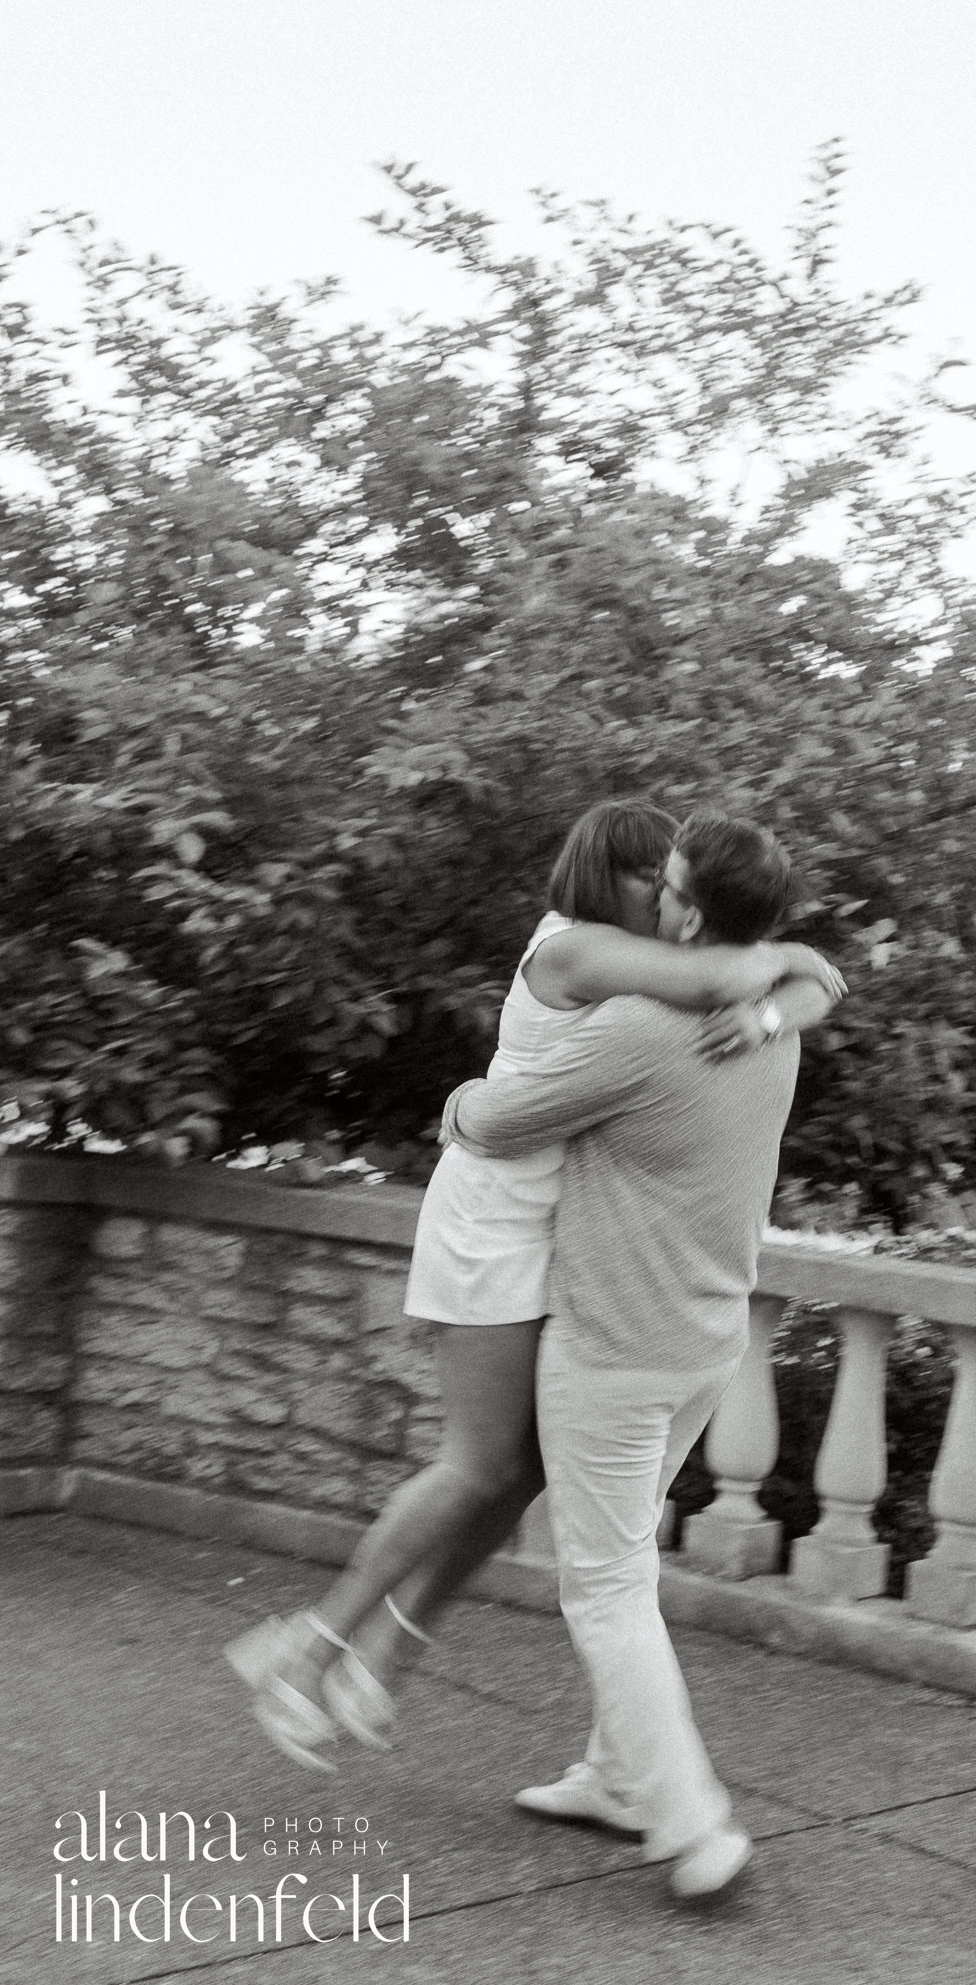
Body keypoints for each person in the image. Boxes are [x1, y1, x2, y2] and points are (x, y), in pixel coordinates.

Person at [226, 799, 841, 1770]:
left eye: (676, 883)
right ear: (616, 879)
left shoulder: (647, 973)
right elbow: (749, 961)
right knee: (477, 1463)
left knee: (522, 1474)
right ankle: (309, 1643)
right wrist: (760, 979)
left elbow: (815, 974)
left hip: (550, 1226)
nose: (666, 900)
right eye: (655, 879)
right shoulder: (574, 950)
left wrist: (770, 1005)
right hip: (491, 1220)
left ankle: (386, 1653)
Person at [448, 810, 815, 1901]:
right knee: (628, 1564)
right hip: (707, 1343)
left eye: (664, 881)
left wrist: (457, 1098)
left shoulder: (633, 1029)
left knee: (603, 1588)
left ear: (687, 910)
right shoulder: (771, 1024)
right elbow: (811, 978)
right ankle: (615, 1777)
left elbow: (497, 1124)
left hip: (613, 1349)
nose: (648, 892)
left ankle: (695, 1829)